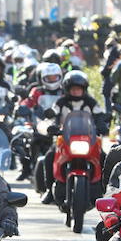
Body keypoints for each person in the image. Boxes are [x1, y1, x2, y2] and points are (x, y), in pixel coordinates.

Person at [40, 70, 107, 204]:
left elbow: (99, 117)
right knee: (49, 156)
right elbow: (54, 115)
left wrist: (102, 125)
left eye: (79, 89)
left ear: (84, 89)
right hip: (64, 139)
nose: (76, 91)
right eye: (73, 89)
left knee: (104, 157)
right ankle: (49, 189)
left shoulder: (91, 102)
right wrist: (52, 125)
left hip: (88, 140)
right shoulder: (61, 102)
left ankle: (105, 189)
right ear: (67, 89)